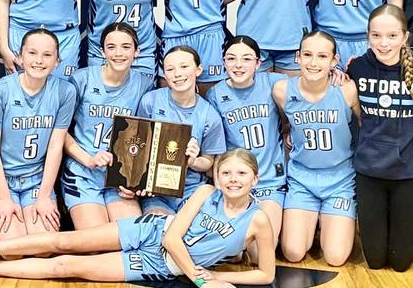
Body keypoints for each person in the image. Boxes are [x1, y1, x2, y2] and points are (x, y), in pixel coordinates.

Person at [0, 148, 275, 288]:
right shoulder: (205, 192)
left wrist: (216, 275)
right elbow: (172, 238)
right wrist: (201, 281)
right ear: (217, 176)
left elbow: (266, 274)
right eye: (226, 173)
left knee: (67, 266)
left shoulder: (258, 220)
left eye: (241, 174)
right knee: (64, 241)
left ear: (255, 179)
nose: (233, 180)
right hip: (152, 232)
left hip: (159, 265)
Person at [347, 5, 413, 272]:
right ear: (368, 36)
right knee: (374, 260)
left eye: (392, 36)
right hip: (369, 171)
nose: (384, 44)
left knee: (401, 262)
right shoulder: (357, 67)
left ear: (405, 37)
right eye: (376, 36)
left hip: (407, 171)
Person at [0, 29, 77, 241]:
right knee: (12, 248)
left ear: (57, 61)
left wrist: (44, 196)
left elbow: (55, 146)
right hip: (1, 179)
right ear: (20, 57)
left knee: (43, 246)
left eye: (47, 55)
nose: (39, 61)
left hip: (36, 180)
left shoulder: (65, 92)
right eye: (32, 53)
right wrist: (4, 198)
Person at [273, 31, 360, 266]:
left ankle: (329, 221)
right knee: (293, 253)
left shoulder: (346, 90)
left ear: (334, 60)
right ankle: (314, 221)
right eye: (308, 55)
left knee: (335, 257)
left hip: (340, 180)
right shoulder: (282, 91)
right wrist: (289, 132)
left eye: (322, 56)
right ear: (298, 57)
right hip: (302, 179)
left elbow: (366, 127)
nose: (313, 62)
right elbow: (285, 123)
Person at [61, 22, 154, 230]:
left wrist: (134, 180)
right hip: (83, 172)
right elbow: (60, 131)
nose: (118, 53)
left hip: (119, 176)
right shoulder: (82, 79)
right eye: (111, 47)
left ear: (137, 51)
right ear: (102, 51)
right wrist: (88, 159)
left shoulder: (144, 84)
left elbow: (145, 138)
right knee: (97, 241)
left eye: (126, 47)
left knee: (132, 236)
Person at [207, 35, 286, 244]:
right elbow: (218, 146)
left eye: (247, 59)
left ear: (259, 63)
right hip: (236, 184)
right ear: (224, 62)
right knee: (230, 250)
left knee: (260, 249)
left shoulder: (273, 83)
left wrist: (336, 75)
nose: (238, 65)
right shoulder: (215, 94)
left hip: (270, 182)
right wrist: (219, 186)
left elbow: (309, 88)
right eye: (231, 58)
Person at [135, 46, 227, 215]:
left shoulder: (210, 115)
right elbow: (137, 145)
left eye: (184, 66)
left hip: (191, 190)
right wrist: (139, 181)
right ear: (164, 74)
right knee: (160, 225)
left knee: (193, 227)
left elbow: (208, 162)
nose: (177, 74)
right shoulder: (150, 101)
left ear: (198, 69)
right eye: (170, 69)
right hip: (157, 193)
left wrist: (192, 161)